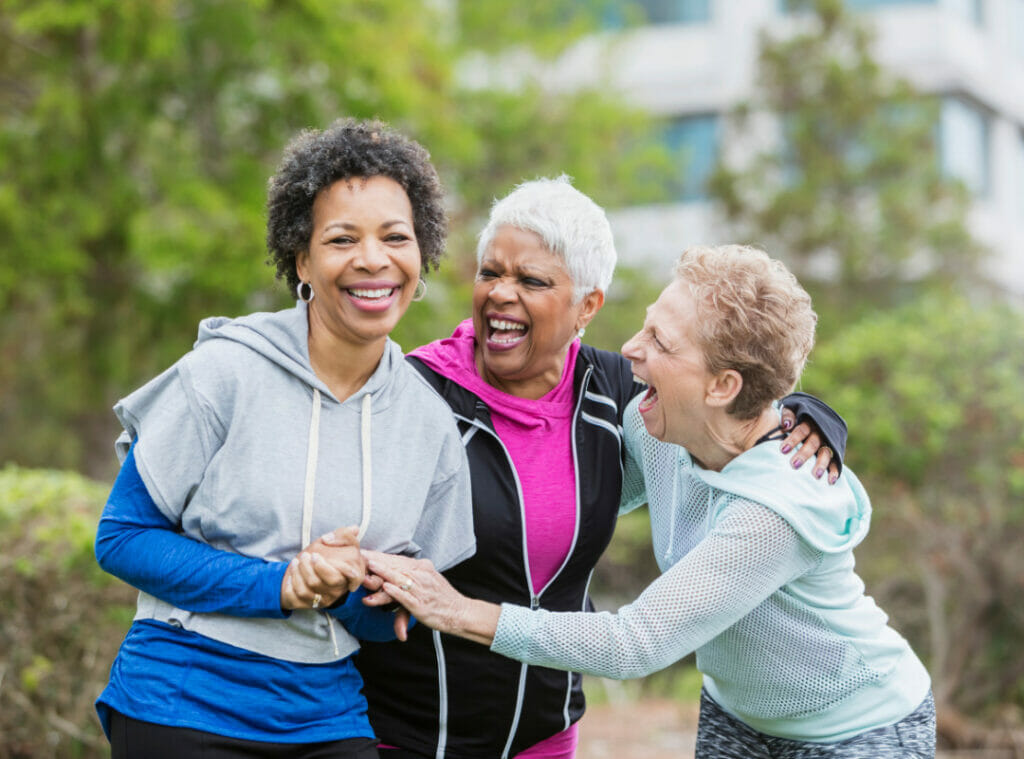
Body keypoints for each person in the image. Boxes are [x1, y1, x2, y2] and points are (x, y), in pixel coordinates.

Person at [364, 244, 935, 759]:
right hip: (737, 717)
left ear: (722, 387)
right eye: (646, 328)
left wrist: (458, 609)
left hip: (860, 728)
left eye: (660, 342)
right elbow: (575, 488)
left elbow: (634, 644)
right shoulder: (662, 426)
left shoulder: (775, 508)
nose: (630, 351)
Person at [93, 119, 476, 758]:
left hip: (326, 715)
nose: (373, 260)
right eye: (342, 239)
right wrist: (280, 586)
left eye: (395, 237)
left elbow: (390, 623)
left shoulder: (429, 425)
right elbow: (122, 538)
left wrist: (350, 585)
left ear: (421, 255)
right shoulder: (223, 372)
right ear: (302, 259)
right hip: (183, 698)